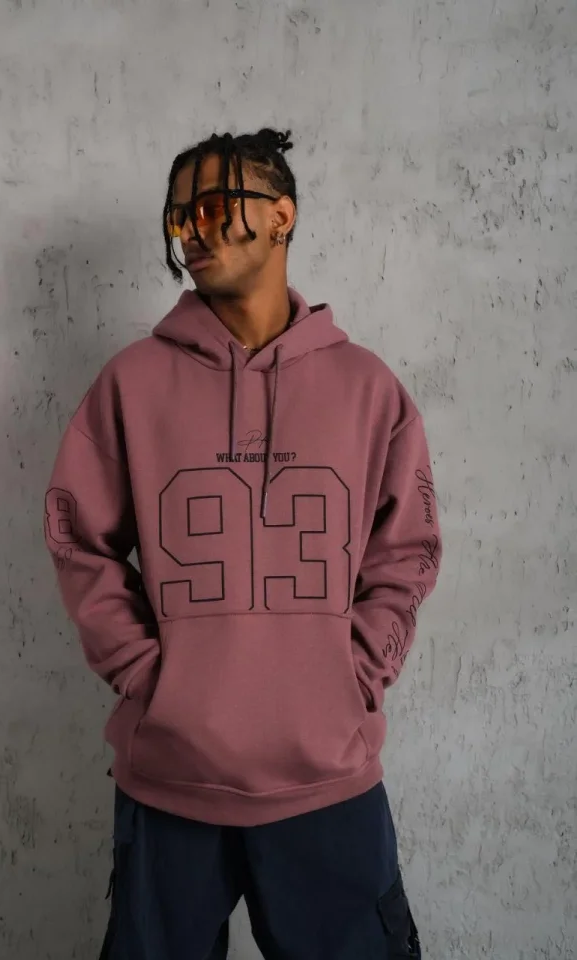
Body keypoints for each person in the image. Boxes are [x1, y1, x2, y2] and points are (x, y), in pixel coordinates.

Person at [44, 127, 441, 960]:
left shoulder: (366, 388)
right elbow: (80, 541)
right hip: (170, 779)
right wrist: (147, 677)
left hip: (326, 778)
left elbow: (404, 550)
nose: (191, 229)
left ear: (281, 215)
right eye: (178, 215)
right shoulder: (130, 383)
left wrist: (355, 675)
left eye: (214, 206)